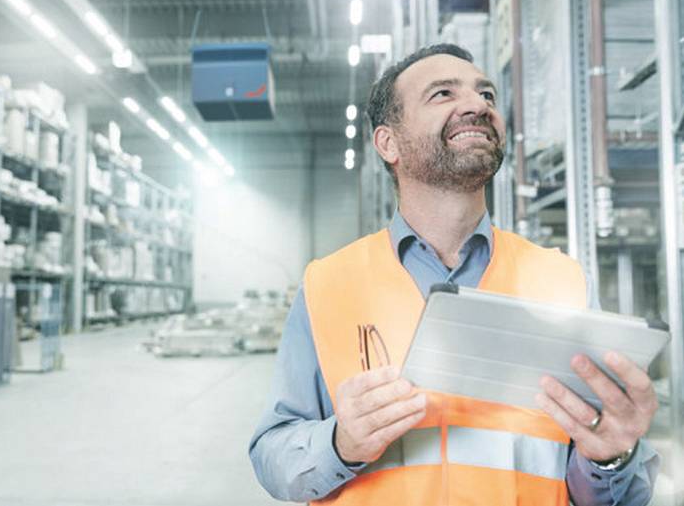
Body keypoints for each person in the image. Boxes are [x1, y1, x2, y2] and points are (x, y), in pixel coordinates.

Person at [249, 44, 660, 506]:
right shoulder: (328, 284)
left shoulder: (562, 281)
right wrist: (340, 443)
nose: (477, 105)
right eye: (443, 93)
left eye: (486, 93)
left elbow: (606, 491)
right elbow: (272, 454)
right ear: (389, 143)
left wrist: (610, 459)